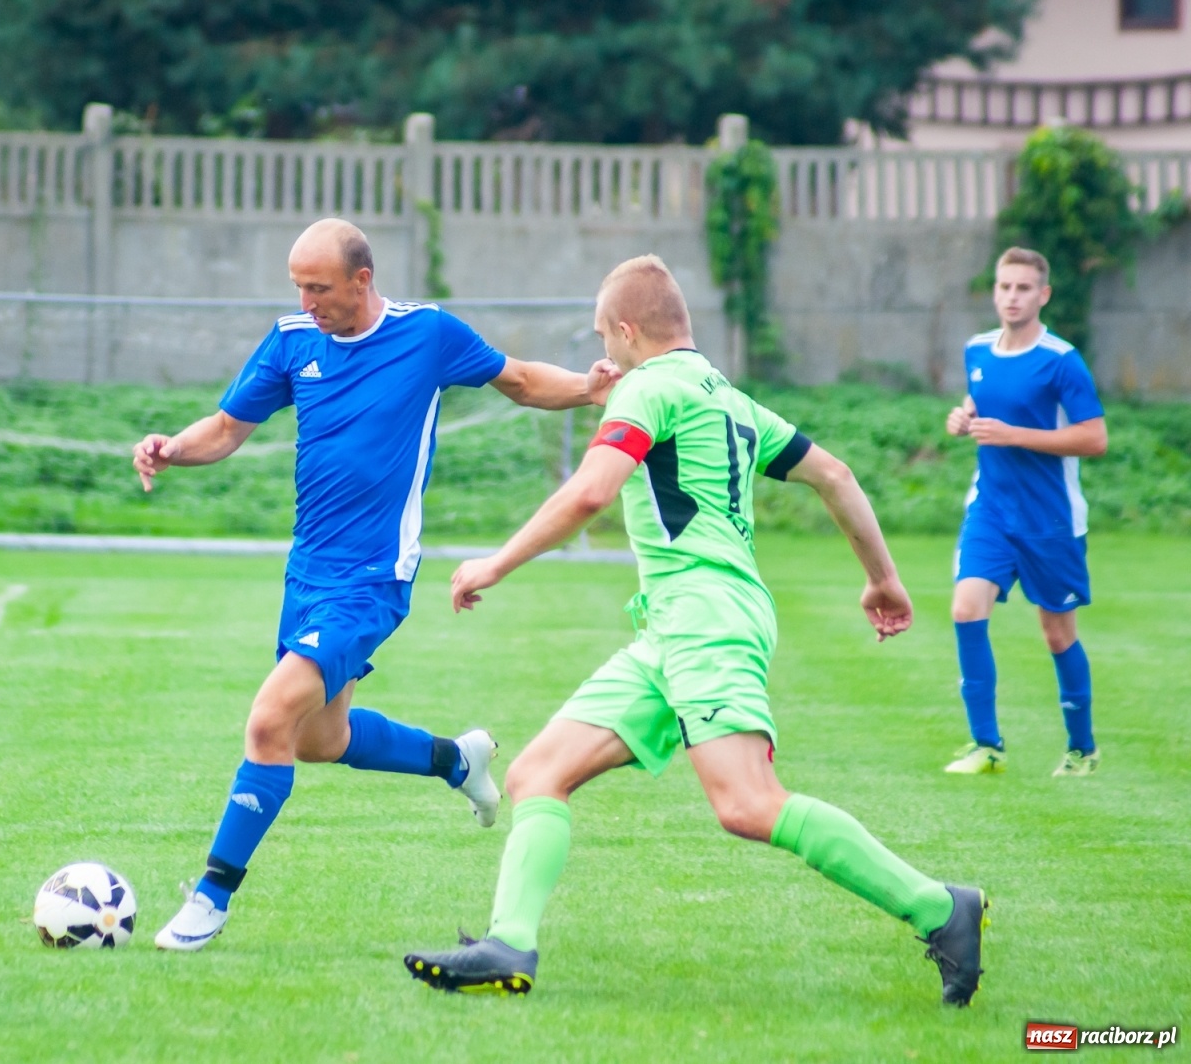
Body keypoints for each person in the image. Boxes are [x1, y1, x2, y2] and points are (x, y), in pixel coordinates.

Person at [403, 255, 987, 1006]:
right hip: (673, 626)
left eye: (603, 340)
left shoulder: (648, 387)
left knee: (747, 804)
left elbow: (591, 492)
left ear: (624, 329)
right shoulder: (729, 397)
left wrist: (497, 562)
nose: (603, 357)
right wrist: (883, 577)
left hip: (707, 619)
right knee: (536, 774)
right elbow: (835, 475)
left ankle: (941, 908)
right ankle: (508, 946)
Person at [132, 218, 622, 951]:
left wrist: (588, 389)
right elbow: (229, 428)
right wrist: (172, 449)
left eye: (319, 287)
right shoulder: (293, 340)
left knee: (269, 722)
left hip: (372, 579)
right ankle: (456, 759)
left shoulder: (426, 335)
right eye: (298, 285)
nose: (307, 300)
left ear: (362, 281)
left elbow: (517, 379)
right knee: (319, 740)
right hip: (308, 574)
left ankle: (211, 898)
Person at [942, 247, 1107, 777]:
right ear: (994, 290)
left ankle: (1082, 751)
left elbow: (1094, 438)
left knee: (1057, 633)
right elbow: (983, 399)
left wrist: (1015, 436)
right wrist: (964, 415)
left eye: (1023, 288)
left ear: (1043, 295)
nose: (1012, 297)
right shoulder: (976, 350)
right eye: (1004, 286)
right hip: (990, 507)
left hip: (1050, 519)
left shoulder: (1062, 361)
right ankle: (986, 745)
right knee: (967, 608)